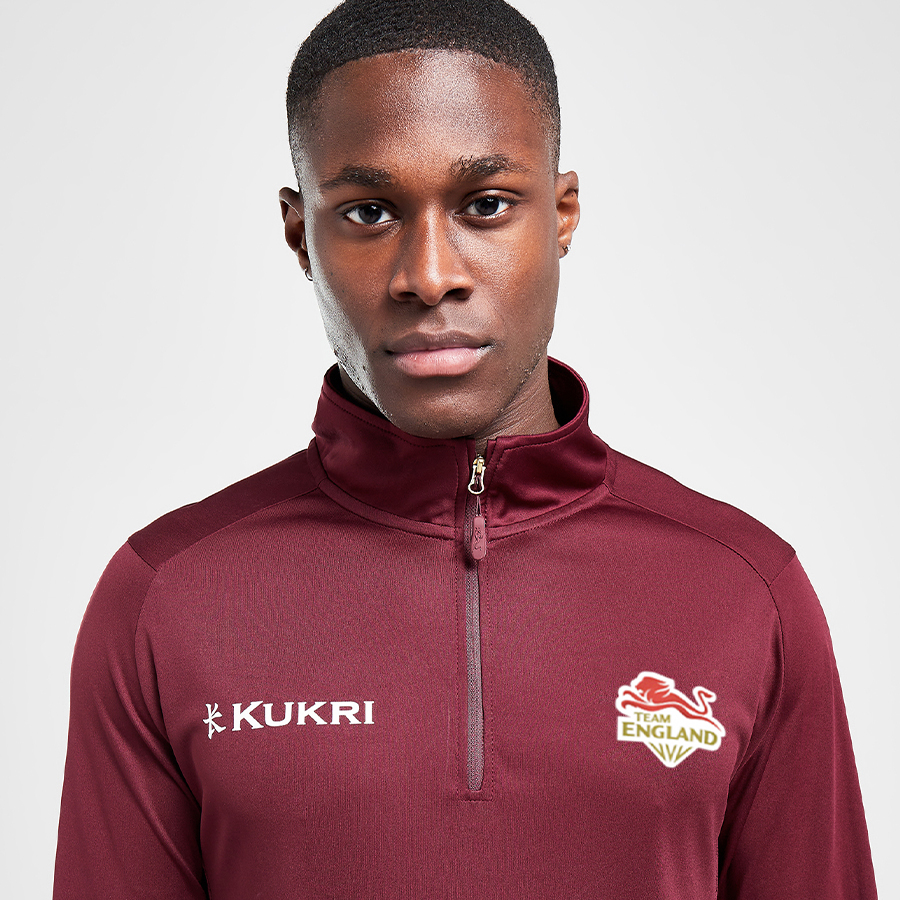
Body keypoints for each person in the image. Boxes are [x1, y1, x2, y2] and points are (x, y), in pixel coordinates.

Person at [53, 0, 877, 897]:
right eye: (370, 212)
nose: (430, 275)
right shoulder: (167, 598)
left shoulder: (746, 591)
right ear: (300, 235)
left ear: (561, 213)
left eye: (485, 205)